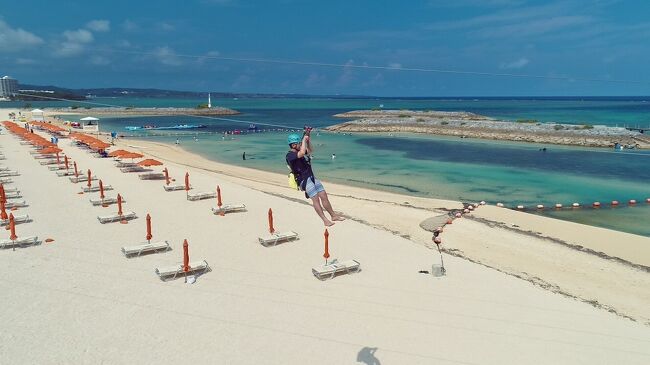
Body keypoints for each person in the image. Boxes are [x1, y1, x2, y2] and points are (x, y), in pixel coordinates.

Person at [286, 131, 345, 226]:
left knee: (324, 196)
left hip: (311, 177)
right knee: (316, 199)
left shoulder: (298, 151)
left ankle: (333, 215)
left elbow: (310, 150)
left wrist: (307, 139)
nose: (301, 145)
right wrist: (304, 140)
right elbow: (301, 153)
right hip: (303, 181)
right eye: (299, 143)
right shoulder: (290, 155)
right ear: (293, 145)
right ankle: (325, 220)